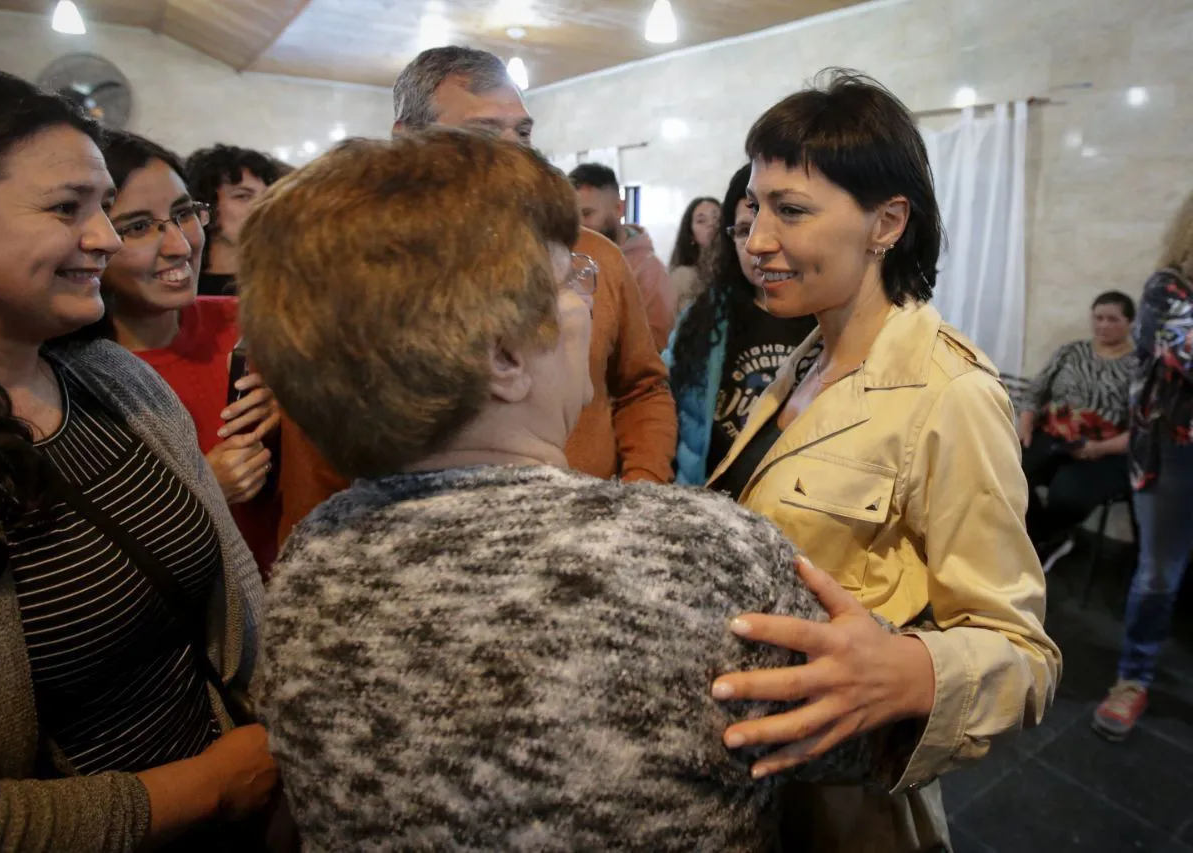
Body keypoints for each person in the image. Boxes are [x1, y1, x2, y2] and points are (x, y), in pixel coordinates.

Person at [242, 128, 887, 851]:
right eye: (565, 278)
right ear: (506, 356)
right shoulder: (699, 558)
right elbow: (865, 744)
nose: (588, 292)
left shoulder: (309, 564)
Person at [0, 58, 275, 851]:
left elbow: (232, 592)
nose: (106, 239)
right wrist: (211, 786)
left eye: (106, 208)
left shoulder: (111, 377)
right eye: (66, 208)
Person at [702, 71, 1060, 851]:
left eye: (790, 210)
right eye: (757, 206)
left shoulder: (949, 394)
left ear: (886, 222)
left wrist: (907, 672)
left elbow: (1022, 652)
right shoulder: (806, 359)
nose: (757, 239)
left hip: (845, 809)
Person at [274, 45, 677, 541]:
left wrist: (640, 495)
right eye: (484, 134)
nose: (516, 153)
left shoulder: (596, 258)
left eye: (523, 132)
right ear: (408, 141)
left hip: (596, 537)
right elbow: (318, 453)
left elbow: (643, 387)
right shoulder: (366, 274)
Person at [93, 129, 283, 577]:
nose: (180, 244)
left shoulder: (251, 320)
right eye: (138, 227)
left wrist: (293, 396)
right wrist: (203, 491)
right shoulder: (70, 377)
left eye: (183, 214)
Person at [1093, 191, 1193, 741]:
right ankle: (1133, 678)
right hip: (1174, 454)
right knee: (1158, 573)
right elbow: (1185, 354)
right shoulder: (1168, 288)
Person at [665, 164, 817, 485]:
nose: (757, 245)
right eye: (745, 230)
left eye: (779, 228)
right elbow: (667, 402)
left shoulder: (827, 320)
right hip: (712, 506)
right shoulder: (704, 318)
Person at [1018, 291, 1138, 571]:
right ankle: (1043, 538)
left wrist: (1099, 449)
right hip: (1054, 434)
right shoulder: (1071, 352)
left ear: (1130, 323)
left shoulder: (1140, 367)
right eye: (1099, 318)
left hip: (1106, 448)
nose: (1104, 325)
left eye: (1113, 319)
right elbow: (1036, 392)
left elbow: (1142, 426)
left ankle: (1040, 542)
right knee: (1008, 472)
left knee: (1067, 494)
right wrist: (1024, 427)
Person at [569, 161, 677, 349]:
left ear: (619, 209)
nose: (579, 227)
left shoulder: (649, 271)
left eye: (587, 214)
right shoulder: (570, 260)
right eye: (573, 216)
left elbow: (653, 349)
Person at [184, 143, 280, 296]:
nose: (263, 206)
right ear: (205, 207)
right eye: (243, 196)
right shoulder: (178, 289)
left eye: (269, 196)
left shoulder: (285, 286)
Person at [669, 194, 720, 311]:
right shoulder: (684, 277)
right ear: (691, 235)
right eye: (701, 221)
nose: (711, 224)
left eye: (717, 218)